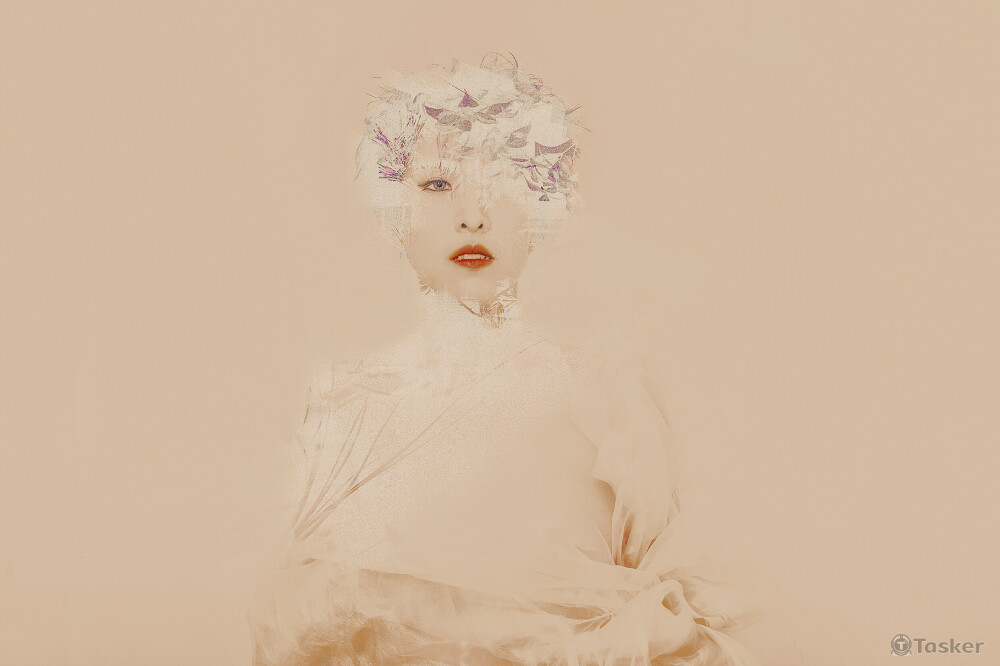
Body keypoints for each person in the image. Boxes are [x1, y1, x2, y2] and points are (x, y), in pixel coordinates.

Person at [248, 53, 762, 665]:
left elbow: (683, 603)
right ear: (392, 209)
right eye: (438, 185)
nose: (474, 216)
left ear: (546, 206)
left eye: (507, 182)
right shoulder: (339, 402)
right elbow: (286, 622)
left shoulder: (605, 389)